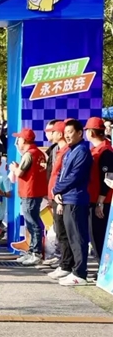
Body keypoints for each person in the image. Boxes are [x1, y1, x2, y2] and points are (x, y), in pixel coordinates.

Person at [52, 119, 93, 286]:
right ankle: (73, 270)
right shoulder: (71, 150)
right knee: (70, 236)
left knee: (77, 237)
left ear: (79, 133)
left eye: (70, 132)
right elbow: (61, 174)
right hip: (67, 197)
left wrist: (57, 189)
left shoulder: (82, 151)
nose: (67, 135)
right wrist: (57, 192)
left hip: (76, 198)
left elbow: (74, 176)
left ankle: (80, 273)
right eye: (65, 133)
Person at [9, 128, 47, 266]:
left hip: (30, 192)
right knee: (31, 222)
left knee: (33, 223)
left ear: (24, 140)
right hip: (34, 191)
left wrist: (14, 169)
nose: (17, 141)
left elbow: (19, 173)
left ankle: (36, 252)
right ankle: (31, 251)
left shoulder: (29, 154)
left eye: (18, 138)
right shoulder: (38, 153)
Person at [84, 117, 113, 279]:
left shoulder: (105, 151)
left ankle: (105, 270)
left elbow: (108, 179)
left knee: (99, 236)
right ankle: (103, 268)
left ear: (91, 132)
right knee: (95, 236)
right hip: (94, 200)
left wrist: (101, 201)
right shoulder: (97, 150)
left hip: (101, 202)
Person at [46, 121, 72, 274]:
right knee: (60, 231)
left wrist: (58, 194)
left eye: (53, 131)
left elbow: (63, 177)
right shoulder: (60, 151)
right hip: (55, 195)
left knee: (63, 232)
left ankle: (66, 265)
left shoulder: (66, 151)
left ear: (60, 134)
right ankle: (63, 262)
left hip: (61, 197)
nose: (51, 134)